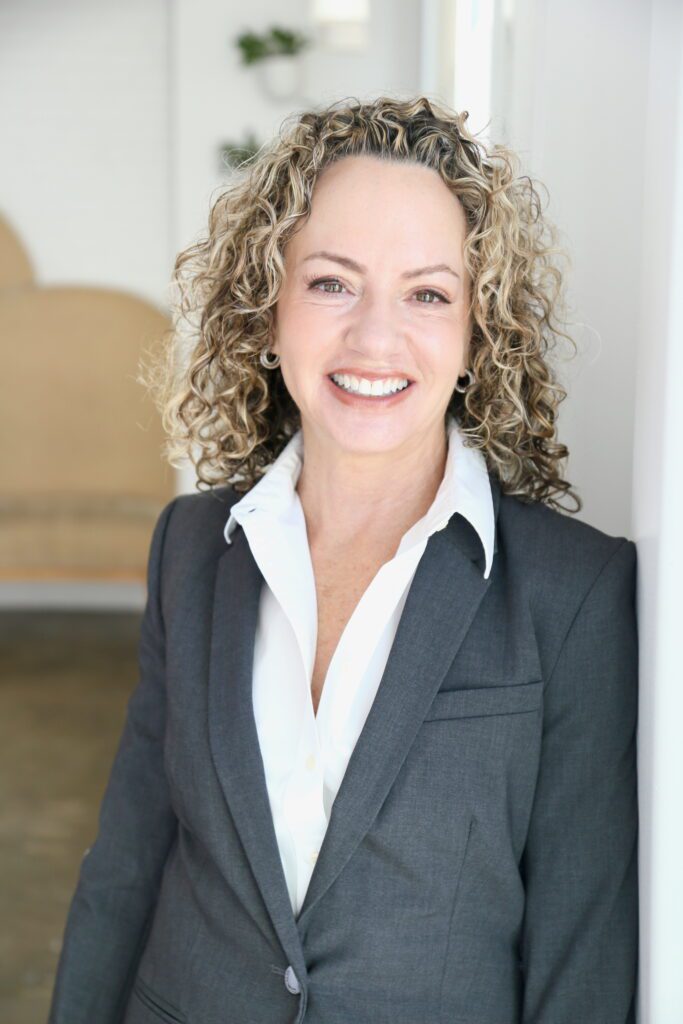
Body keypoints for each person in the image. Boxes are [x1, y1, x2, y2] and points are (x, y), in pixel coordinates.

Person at [47, 95, 639, 1024]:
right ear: (267, 307)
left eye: (427, 293)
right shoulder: (193, 548)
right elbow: (125, 870)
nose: (374, 337)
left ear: (476, 335)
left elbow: (581, 948)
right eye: (331, 282)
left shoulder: (576, 593)